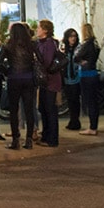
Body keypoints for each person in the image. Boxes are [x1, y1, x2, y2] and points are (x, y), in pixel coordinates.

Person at [2, 22, 38, 150]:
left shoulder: (8, 45)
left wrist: (8, 71)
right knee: (29, 109)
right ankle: (29, 139)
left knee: (14, 110)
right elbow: (39, 60)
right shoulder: (31, 44)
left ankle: (15, 139)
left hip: (14, 79)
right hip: (28, 78)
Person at [34, 20, 62, 148]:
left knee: (50, 109)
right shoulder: (41, 43)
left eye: (39, 28)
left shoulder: (49, 44)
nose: (37, 30)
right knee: (44, 109)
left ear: (45, 30)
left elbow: (47, 61)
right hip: (44, 81)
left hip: (51, 80)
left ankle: (52, 139)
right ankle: (45, 135)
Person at [74, 24, 101, 135]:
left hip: (86, 74)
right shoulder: (95, 44)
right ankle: (94, 125)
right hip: (94, 73)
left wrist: (80, 61)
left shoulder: (86, 44)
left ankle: (92, 127)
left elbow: (76, 57)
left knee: (89, 101)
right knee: (94, 101)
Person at [60, 28, 82, 132]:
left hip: (76, 78)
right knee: (70, 101)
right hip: (66, 78)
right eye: (71, 36)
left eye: (74, 36)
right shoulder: (64, 49)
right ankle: (72, 120)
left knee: (75, 100)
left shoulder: (79, 48)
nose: (73, 38)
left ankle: (75, 121)